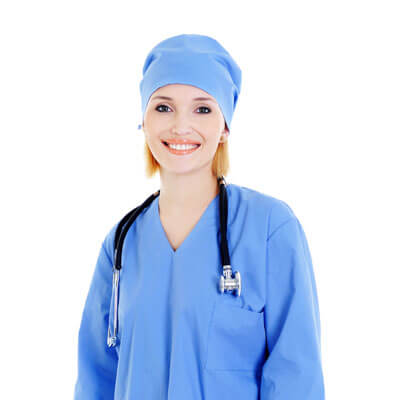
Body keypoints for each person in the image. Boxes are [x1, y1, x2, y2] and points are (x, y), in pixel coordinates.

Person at [73, 33, 325, 399]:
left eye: (202, 109)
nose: (180, 126)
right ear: (144, 120)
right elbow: (95, 378)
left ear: (225, 126)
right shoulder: (121, 244)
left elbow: (296, 377)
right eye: (163, 107)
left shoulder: (270, 229)